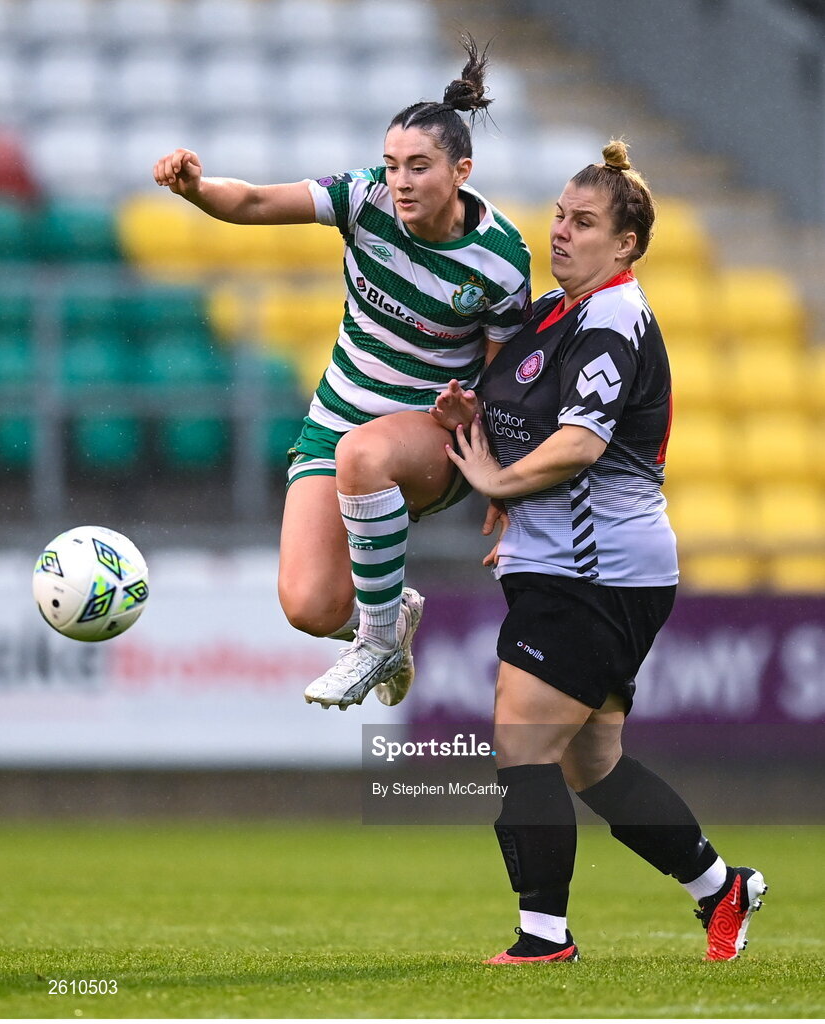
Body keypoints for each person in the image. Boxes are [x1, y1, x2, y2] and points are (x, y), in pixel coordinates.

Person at [432, 140, 766, 963]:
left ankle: (542, 936)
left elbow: (580, 444)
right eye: (558, 215)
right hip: (572, 563)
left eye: (583, 223)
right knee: (592, 764)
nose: (560, 232)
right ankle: (719, 887)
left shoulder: (614, 317)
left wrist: (499, 485)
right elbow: (534, 413)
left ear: (624, 245)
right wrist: (466, 410)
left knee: (519, 737)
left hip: (596, 568)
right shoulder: (555, 309)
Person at [153, 38, 531, 710]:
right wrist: (196, 190)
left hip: (426, 437)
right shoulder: (364, 200)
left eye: (418, 167)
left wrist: (488, 451)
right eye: (392, 166)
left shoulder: (499, 262)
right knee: (308, 606)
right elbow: (256, 204)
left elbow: (504, 383)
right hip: (335, 420)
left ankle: (379, 645)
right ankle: (392, 617)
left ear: (461, 171)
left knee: (365, 455)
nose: (401, 182)